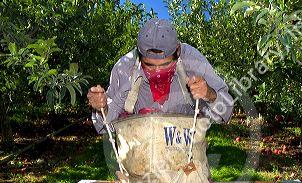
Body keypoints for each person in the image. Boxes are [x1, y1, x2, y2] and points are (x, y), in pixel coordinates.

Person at [87, 18, 234, 134]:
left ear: (177, 52)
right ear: (140, 55)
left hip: (185, 152)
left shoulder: (193, 61)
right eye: (149, 65)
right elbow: (106, 127)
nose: (157, 71)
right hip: (140, 154)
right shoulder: (125, 68)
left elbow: (226, 111)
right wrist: (102, 108)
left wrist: (210, 94)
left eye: (164, 65)